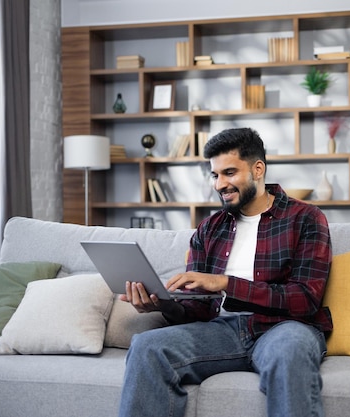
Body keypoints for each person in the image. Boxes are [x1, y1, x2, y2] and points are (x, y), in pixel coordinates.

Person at [118, 127, 333, 417]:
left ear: (258, 169)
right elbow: (198, 309)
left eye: (229, 173)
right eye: (215, 175)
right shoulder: (210, 229)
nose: (220, 184)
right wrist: (163, 304)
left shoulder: (305, 218)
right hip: (223, 331)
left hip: (284, 329)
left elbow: (305, 299)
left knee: (290, 350)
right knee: (146, 346)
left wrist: (226, 283)